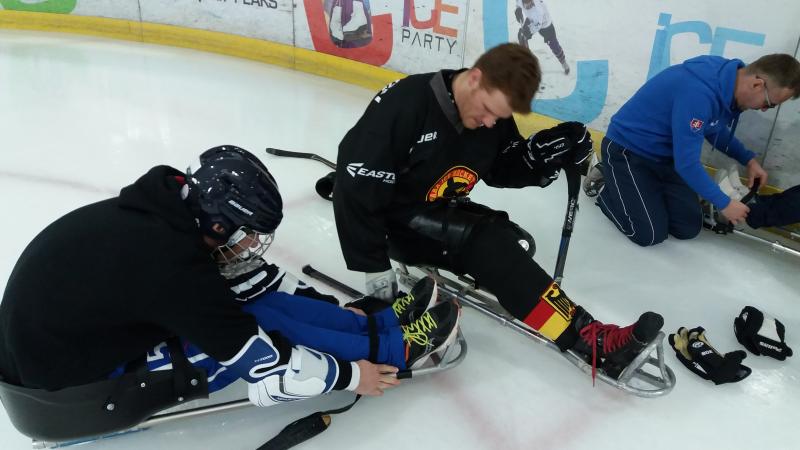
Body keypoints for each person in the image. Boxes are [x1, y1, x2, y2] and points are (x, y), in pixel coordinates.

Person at [0, 146, 458, 417]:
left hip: (64, 342)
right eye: (247, 235)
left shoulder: (169, 215)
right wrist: (348, 375)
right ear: (217, 225)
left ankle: (375, 331)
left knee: (253, 309)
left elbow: (257, 284)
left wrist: (345, 315)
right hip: (62, 385)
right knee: (258, 329)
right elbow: (265, 364)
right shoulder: (167, 266)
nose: (250, 246)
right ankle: (394, 350)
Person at [330, 42, 666, 380]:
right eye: (489, 110)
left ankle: (527, 292)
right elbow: (356, 182)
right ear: (475, 78)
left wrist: (540, 156)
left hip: (436, 206)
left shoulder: (489, 117)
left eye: (500, 117)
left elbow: (502, 165)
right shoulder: (407, 103)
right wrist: (373, 268)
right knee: (489, 244)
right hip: (393, 220)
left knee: (507, 239)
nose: (491, 123)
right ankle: (592, 341)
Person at [584, 53, 800, 247]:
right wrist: (724, 203)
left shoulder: (727, 83)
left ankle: (637, 191)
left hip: (665, 159)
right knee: (648, 233)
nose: (764, 109)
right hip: (629, 153)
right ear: (757, 85)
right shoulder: (699, 92)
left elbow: (713, 128)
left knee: (687, 228)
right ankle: (606, 182)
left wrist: (749, 160)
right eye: (769, 104)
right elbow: (687, 164)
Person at [515, 0, 570, 75]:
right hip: (531, 20)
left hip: (545, 25)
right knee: (521, 36)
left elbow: (537, 26)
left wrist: (528, 32)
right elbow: (518, 4)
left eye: (529, 4)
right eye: (525, 4)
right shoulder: (520, 1)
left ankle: (564, 63)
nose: (527, 6)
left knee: (554, 45)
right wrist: (518, 9)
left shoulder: (539, 9)